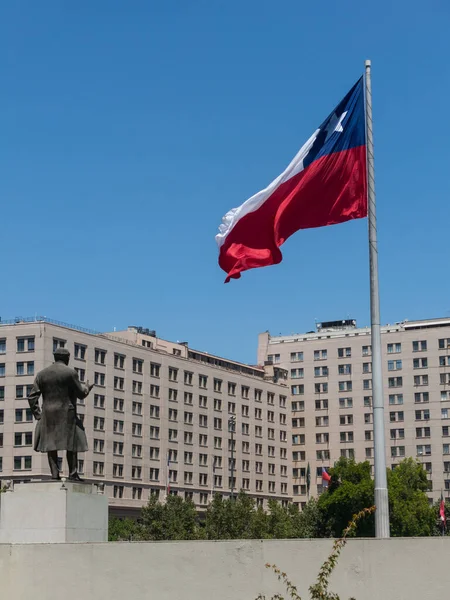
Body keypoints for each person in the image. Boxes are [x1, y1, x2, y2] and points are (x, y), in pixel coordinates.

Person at [28, 347, 94, 481]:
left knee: (51, 444)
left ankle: (54, 474)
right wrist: (87, 388)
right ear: (67, 358)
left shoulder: (42, 374)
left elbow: (32, 397)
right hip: (67, 413)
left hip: (48, 413)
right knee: (72, 443)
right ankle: (73, 473)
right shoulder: (70, 373)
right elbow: (81, 394)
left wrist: (38, 414)